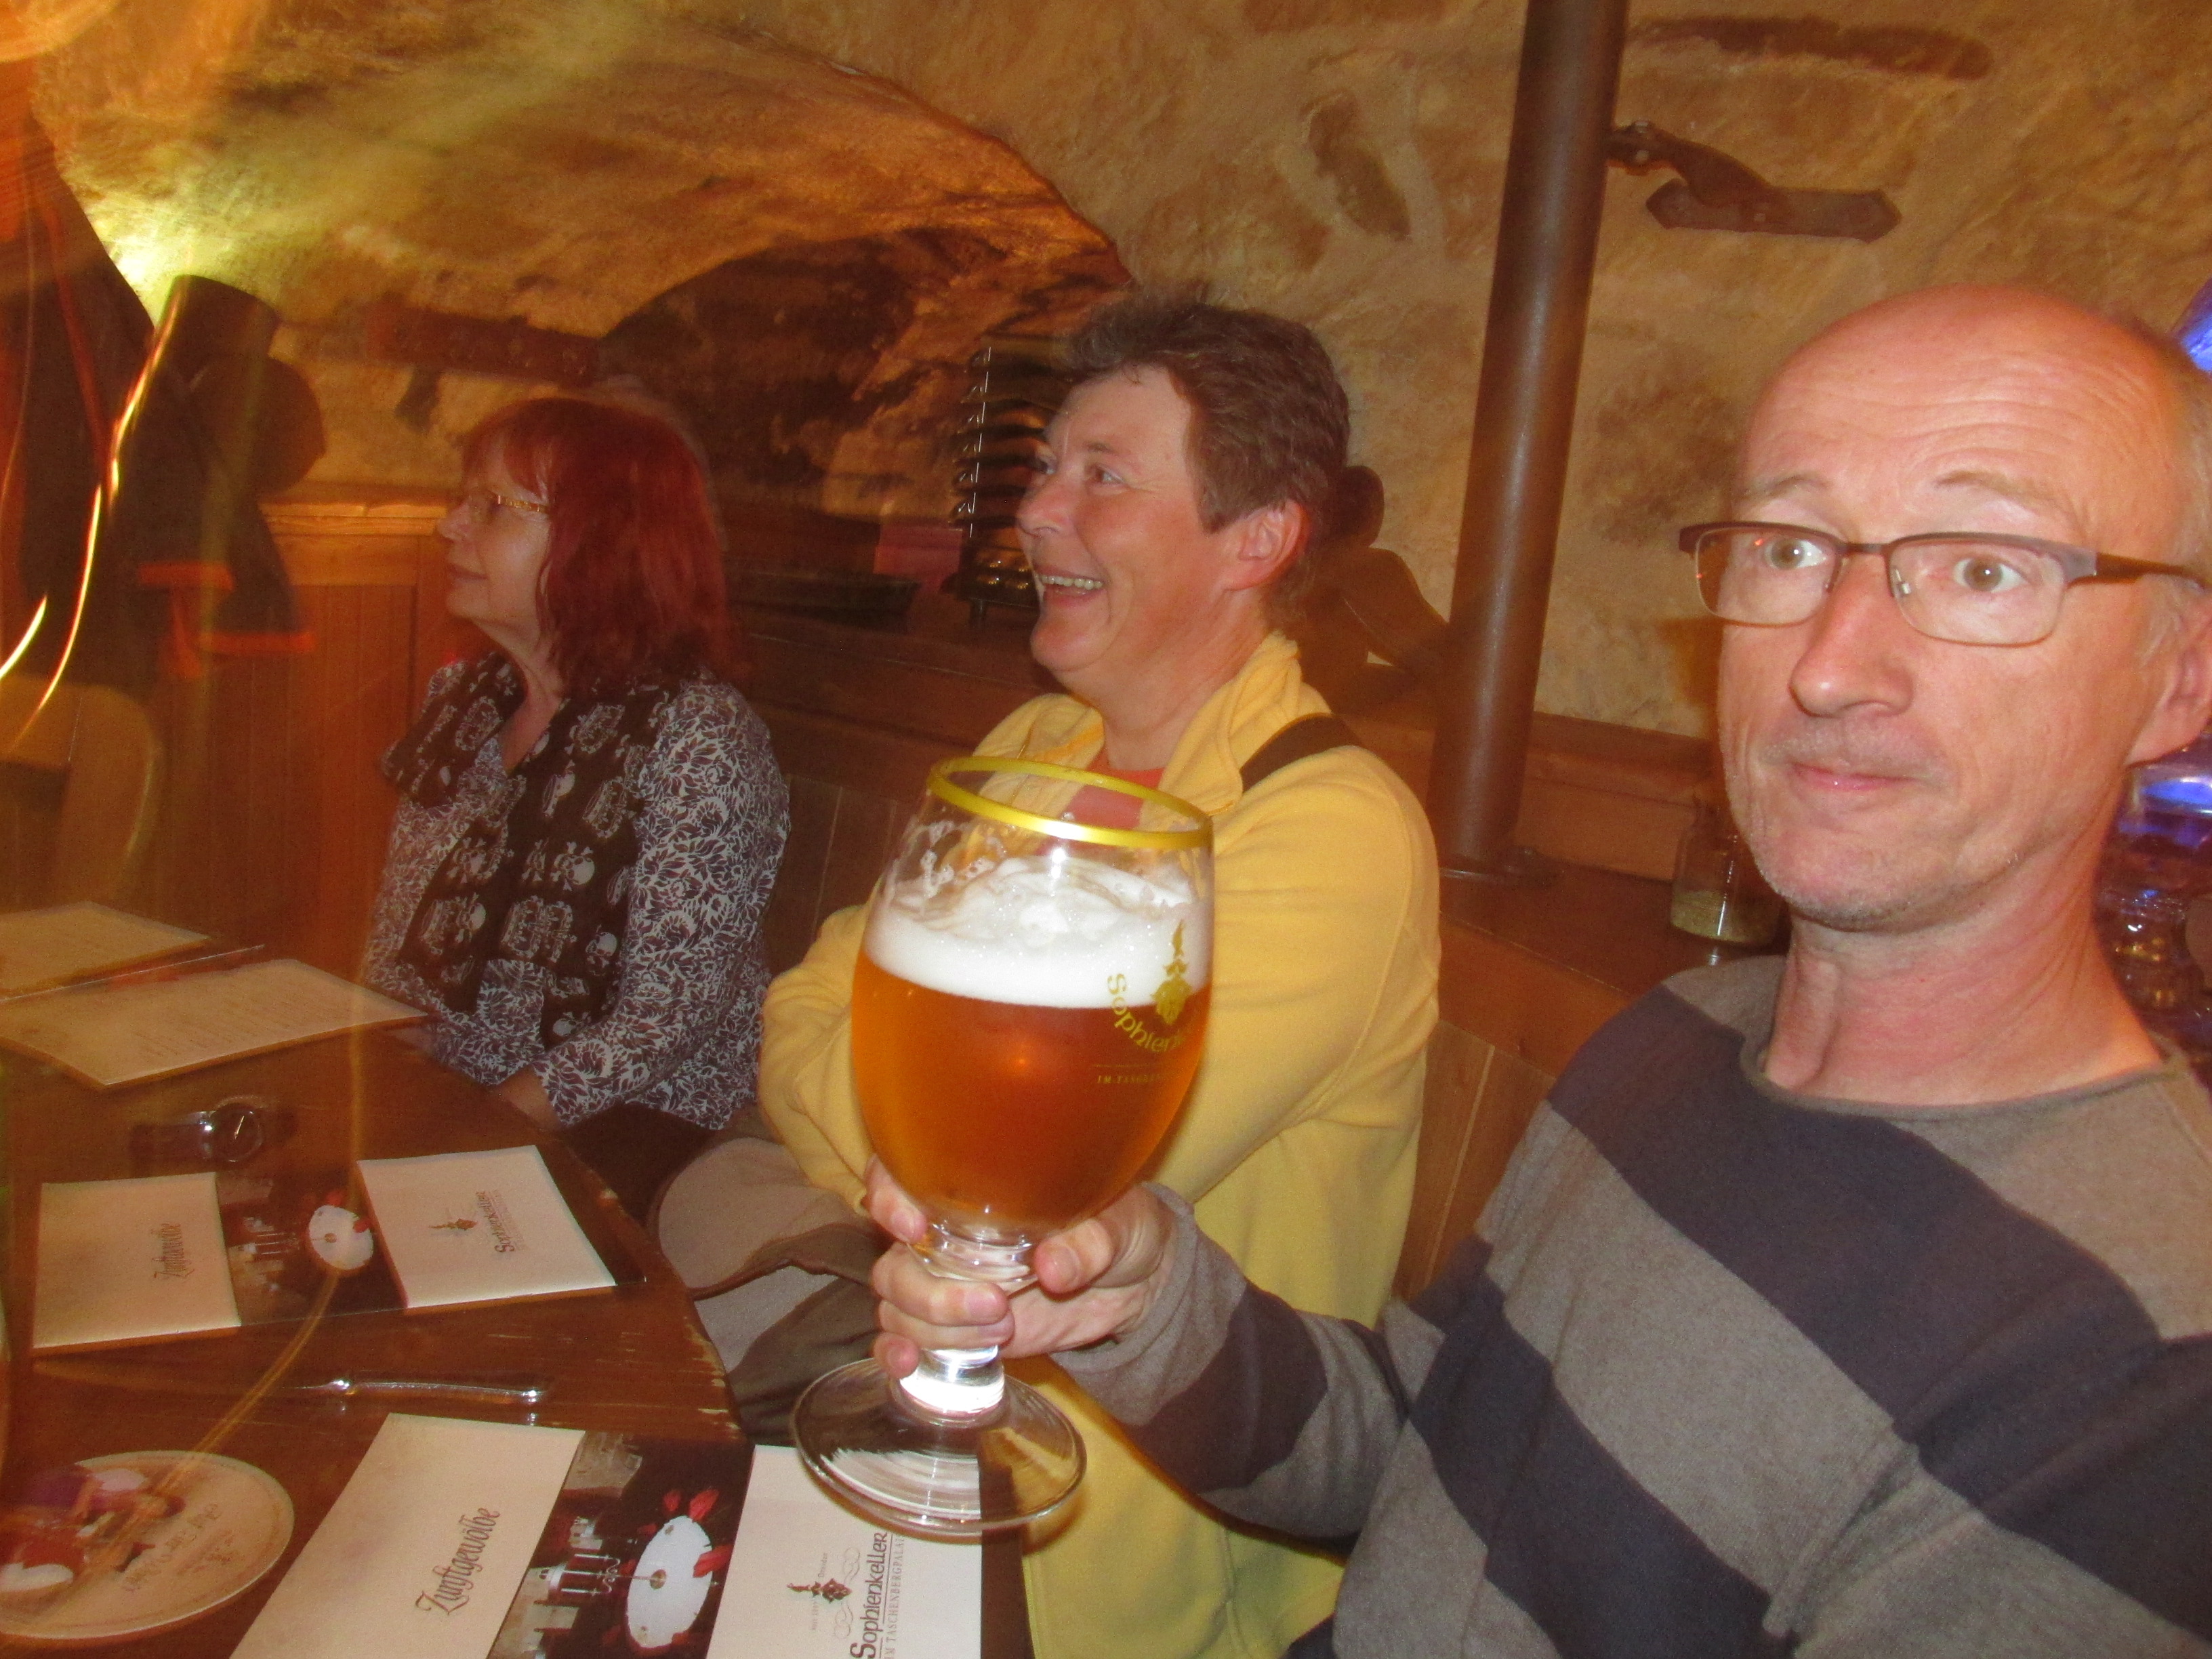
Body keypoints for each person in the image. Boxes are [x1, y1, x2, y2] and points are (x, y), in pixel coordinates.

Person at [867, 285, 2212, 1656]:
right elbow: (1416, 1458)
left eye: (1984, 568)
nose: (1828, 665)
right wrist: (1146, 1305)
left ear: (2178, 678)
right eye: (1788, 550)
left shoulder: (2151, 1358)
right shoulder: (1679, 1039)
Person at [739, 295, 1440, 1659]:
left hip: (1126, 1581)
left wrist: (911, 1133)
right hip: (915, 1456)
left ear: (1256, 539)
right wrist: (919, 1143)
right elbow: (805, 1007)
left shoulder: (1330, 832)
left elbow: (1035, 1189)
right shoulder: (1034, 742)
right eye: (1045, 465)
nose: (1037, 511)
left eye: (1102, 476)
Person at [365, 394, 788, 1218]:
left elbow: (665, 1022)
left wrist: (475, 1126)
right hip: (464, 1088)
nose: (449, 526)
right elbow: (397, 938)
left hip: (640, 1113)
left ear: (601, 542)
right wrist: (380, 1077)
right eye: (462, 499)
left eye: (493, 506)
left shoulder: (698, 737)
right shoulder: (464, 700)